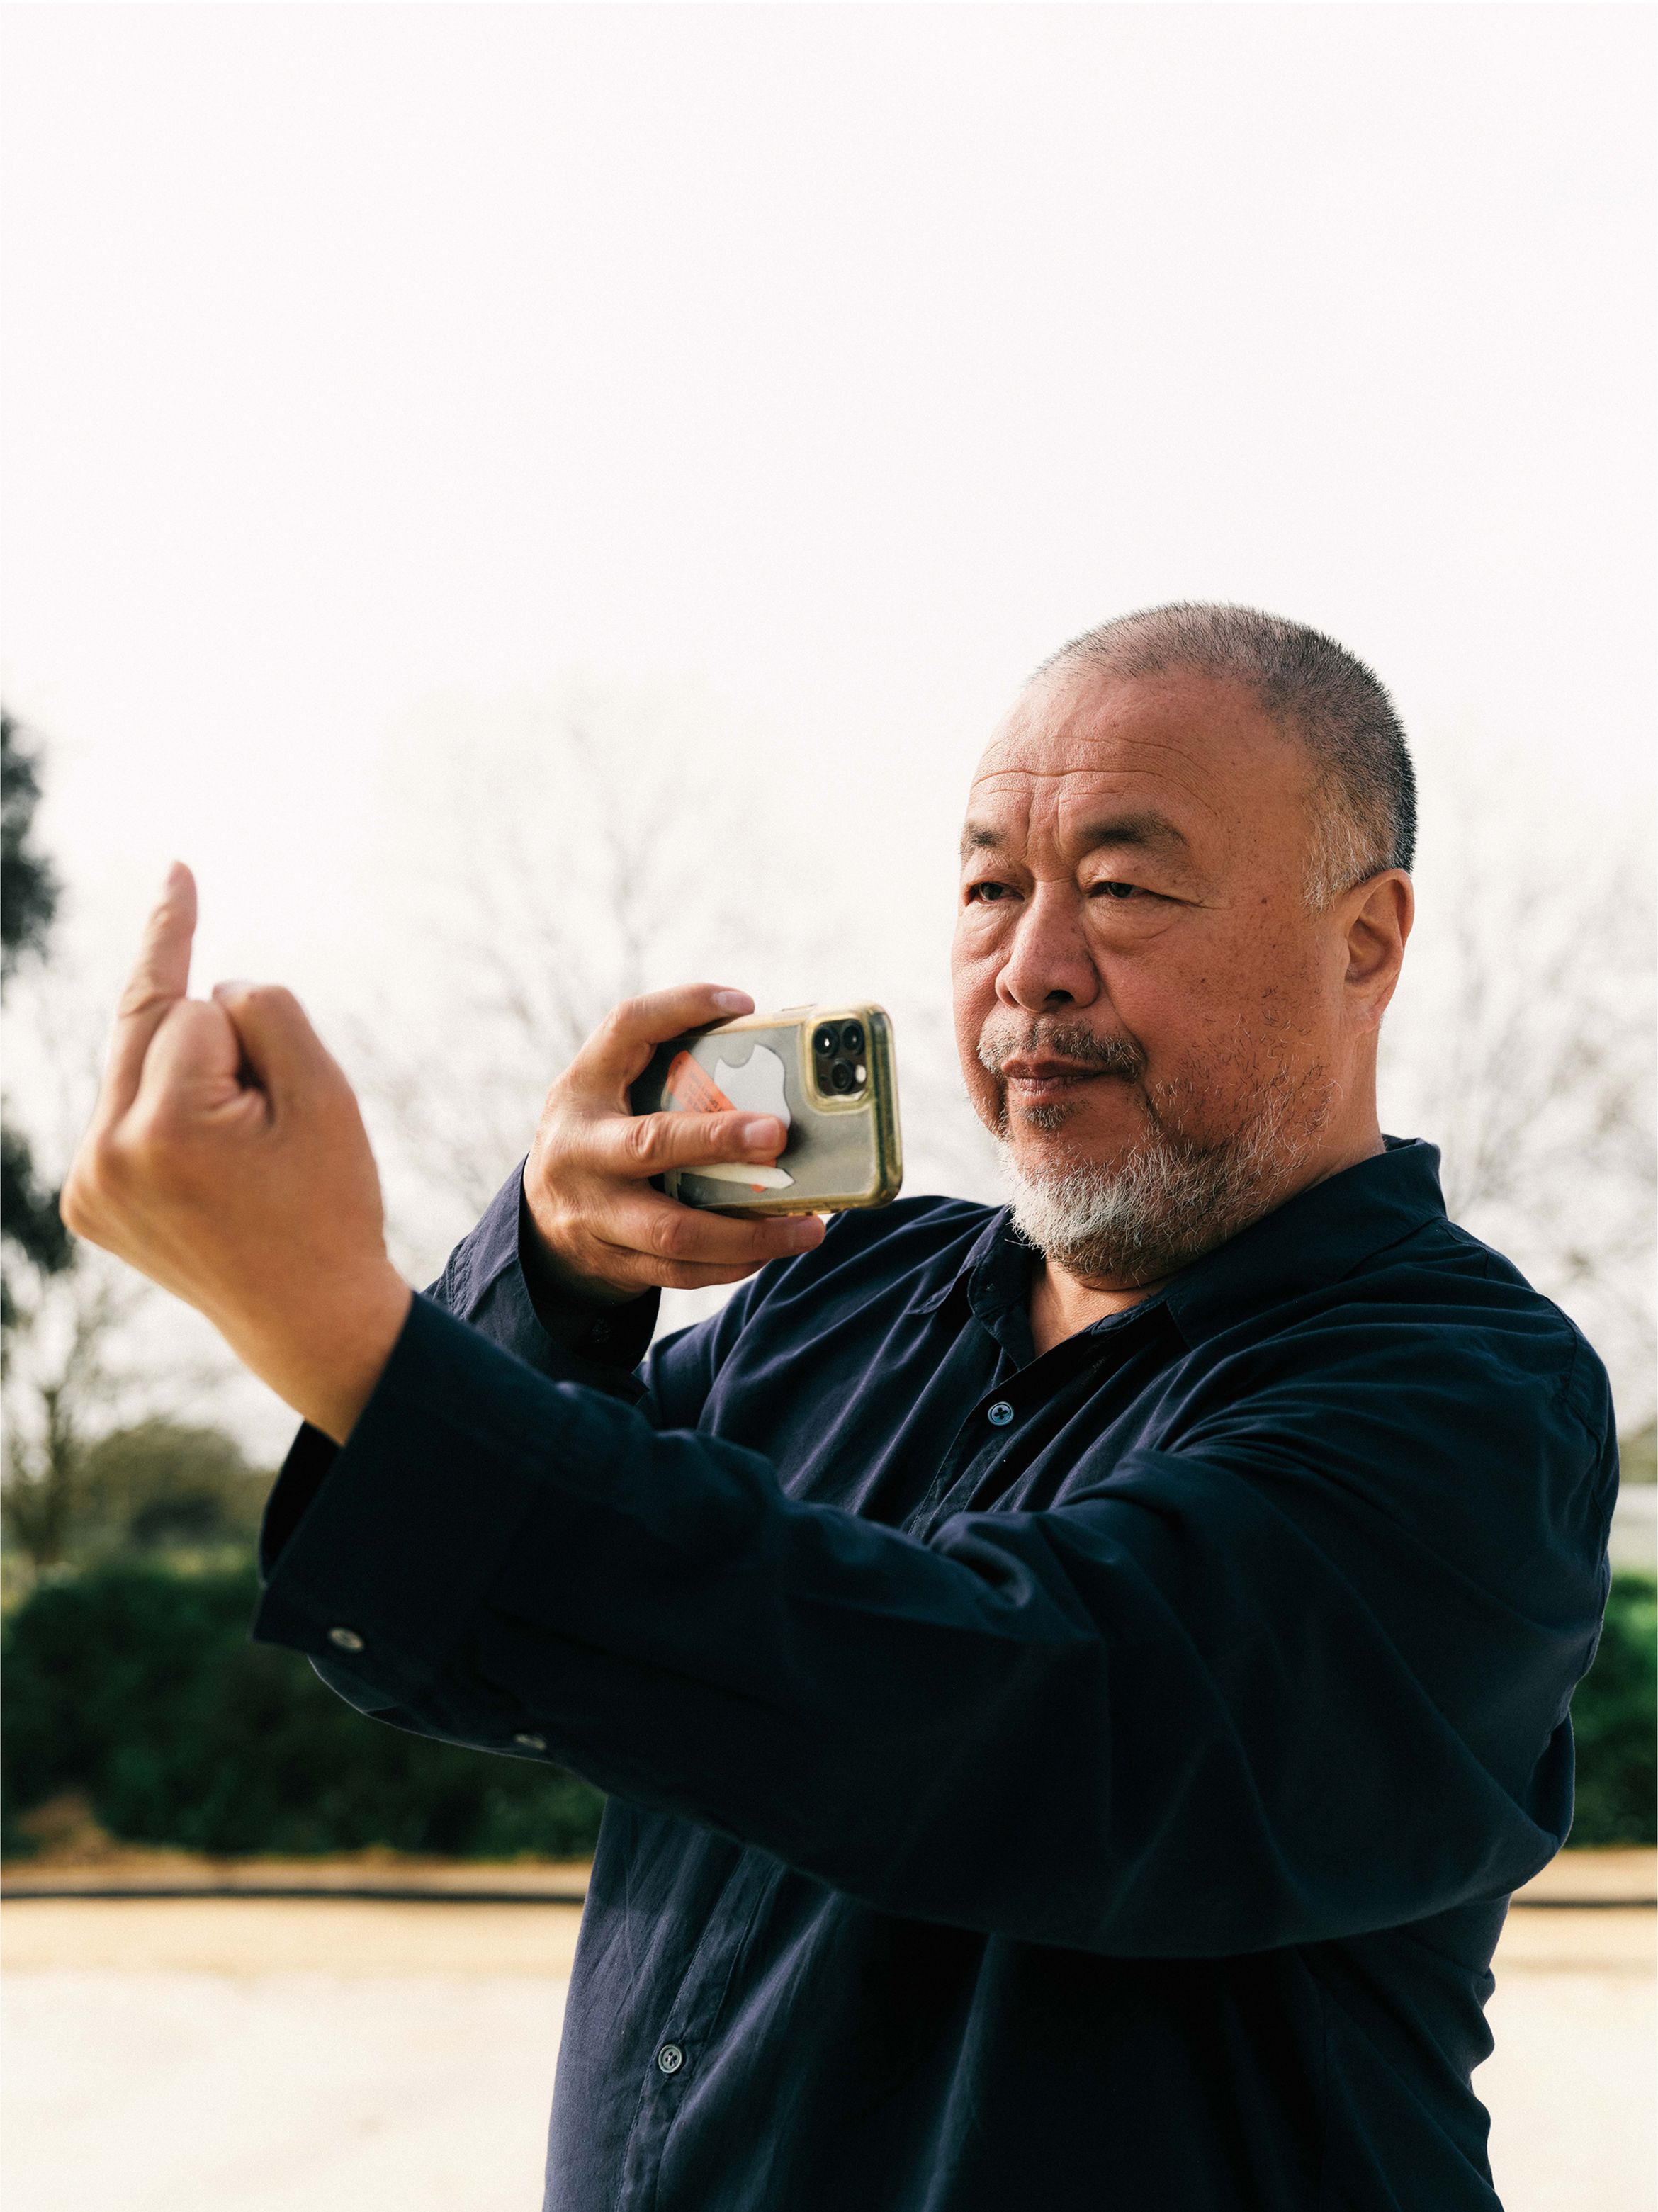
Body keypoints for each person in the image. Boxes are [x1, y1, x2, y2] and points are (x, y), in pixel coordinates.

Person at [64, 604, 1615, 2212]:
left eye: (1124, 888)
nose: (1032, 968)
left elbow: (998, 1708)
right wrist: (551, 1275)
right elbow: (476, 1629)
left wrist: (341, 1330)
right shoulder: (841, 1293)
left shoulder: (1472, 1403)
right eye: (991, 885)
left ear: (1364, 940)